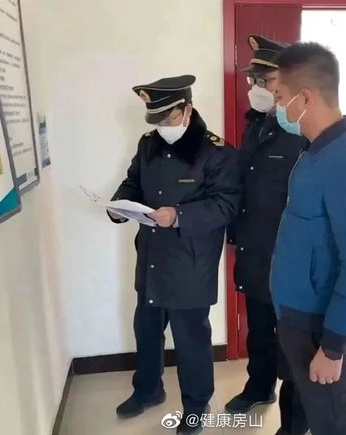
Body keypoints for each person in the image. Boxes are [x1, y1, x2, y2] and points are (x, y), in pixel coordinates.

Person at [108, 75, 240, 435]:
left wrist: (179, 215)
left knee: (190, 340)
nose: (163, 126)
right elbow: (133, 181)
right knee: (146, 330)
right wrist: (119, 205)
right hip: (152, 256)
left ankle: (196, 406)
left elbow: (226, 204)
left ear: (187, 110)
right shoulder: (148, 144)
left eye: (169, 118)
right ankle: (148, 390)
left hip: (190, 262)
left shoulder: (216, 152)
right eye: (157, 120)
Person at [271, 42, 346, 435]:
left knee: (335, 426)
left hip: (321, 328)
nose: (277, 108)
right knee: (310, 417)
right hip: (298, 320)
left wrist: (333, 347)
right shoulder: (316, 152)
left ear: (305, 98)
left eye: (280, 97)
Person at [224, 35, 308, 435]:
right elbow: (245, 186)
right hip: (255, 250)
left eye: (265, 79)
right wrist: (234, 234)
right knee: (258, 330)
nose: (256, 87)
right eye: (253, 79)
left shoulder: (303, 130)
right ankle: (259, 388)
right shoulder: (256, 124)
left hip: (288, 257)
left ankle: (295, 421)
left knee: (292, 341)